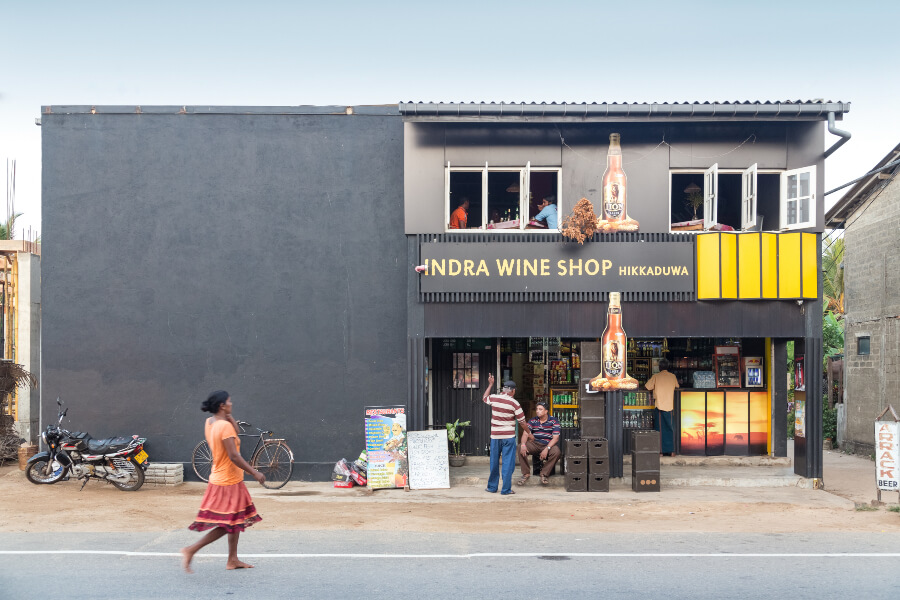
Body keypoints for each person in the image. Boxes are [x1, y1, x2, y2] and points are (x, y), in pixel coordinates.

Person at [182, 391, 265, 573]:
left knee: (235, 520)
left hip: (224, 478)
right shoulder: (224, 427)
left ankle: (232, 559)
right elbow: (234, 455)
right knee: (229, 523)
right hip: (227, 481)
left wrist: (228, 415)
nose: (231, 403)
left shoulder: (210, 422)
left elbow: (235, 433)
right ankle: (191, 549)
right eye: (229, 402)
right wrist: (254, 472)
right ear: (222, 405)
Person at [481, 374, 530, 495]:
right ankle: (506, 489)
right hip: (508, 437)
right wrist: (529, 433)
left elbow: (484, 398)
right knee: (508, 463)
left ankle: (492, 487)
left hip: (495, 437)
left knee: (494, 462)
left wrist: (490, 384)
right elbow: (522, 422)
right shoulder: (514, 403)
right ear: (513, 391)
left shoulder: (494, 398)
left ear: (503, 390)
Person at [518, 401, 561, 486]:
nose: (537, 411)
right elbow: (525, 434)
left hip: (548, 444)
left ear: (546, 411)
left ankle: (544, 474)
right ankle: (526, 473)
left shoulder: (554, 421)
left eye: (540, 409)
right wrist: (523, 444)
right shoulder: (533, 420)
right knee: (520, 447)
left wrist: (547, 448)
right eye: (537, 409)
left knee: (557, 452)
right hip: (535, 444)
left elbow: (556, 438)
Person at [645, 358, 679, 456]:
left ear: (659, 367)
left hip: (659, 405)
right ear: (668, 367)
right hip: (670, 406)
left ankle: (661, 452)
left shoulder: (656, 376)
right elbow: (677, 386)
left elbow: (647, 387)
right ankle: (672, 451)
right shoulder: (672, 376)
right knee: (670, 428)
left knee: (659, 429)